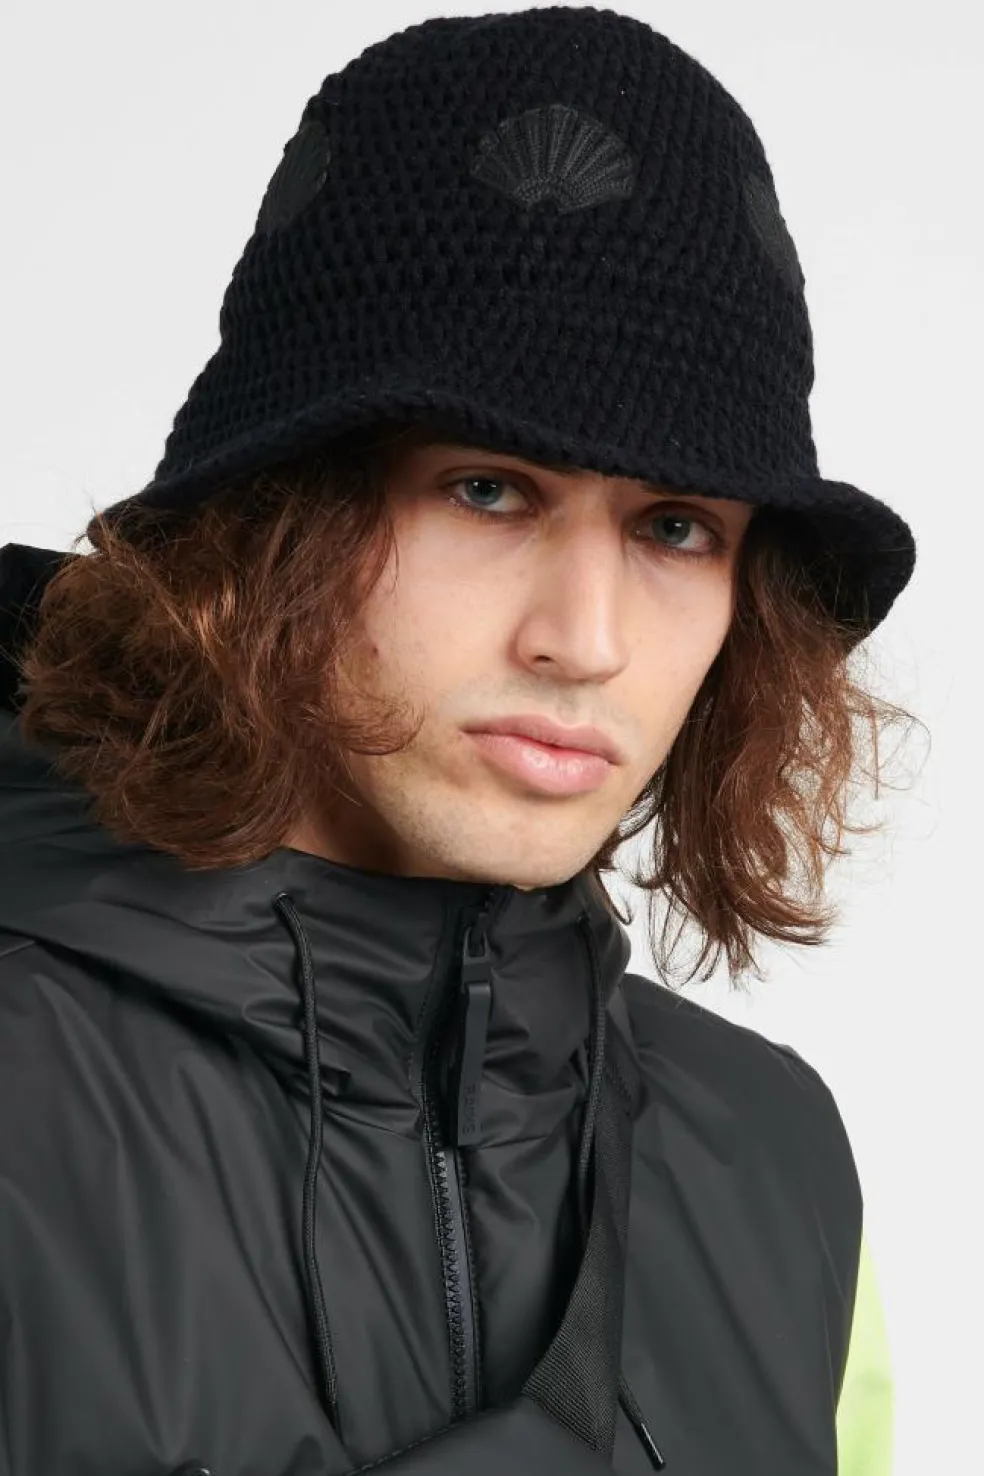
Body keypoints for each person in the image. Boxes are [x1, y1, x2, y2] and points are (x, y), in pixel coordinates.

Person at [0, 8, 915, 1475]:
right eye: (489, 491)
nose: (586, 639)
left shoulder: (777, 1161)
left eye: (678, 529)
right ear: (275, 521)